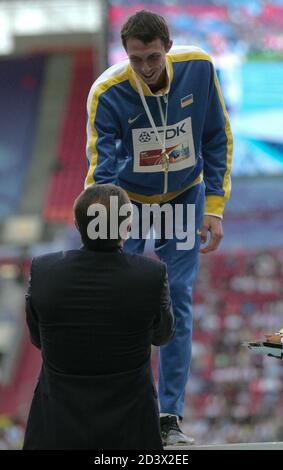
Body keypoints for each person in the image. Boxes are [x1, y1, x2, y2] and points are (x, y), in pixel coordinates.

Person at [85, 10, 233, 446]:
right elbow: (101, 171)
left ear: (167, 47)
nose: (146, 68)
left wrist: (215, 205)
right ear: (125, 55)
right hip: (128, 205)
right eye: (136, 60)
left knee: (178, 303)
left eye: (152, 57)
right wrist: (101, 230)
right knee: (121, 304)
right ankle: (124, 412)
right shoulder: (106, 92)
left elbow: (215, 136)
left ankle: (169, 417)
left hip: (185, 199)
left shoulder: (200, 68)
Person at [23, 184, 175, 450]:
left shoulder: (43, 269)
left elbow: (38, 339)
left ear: (78, 226)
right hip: (130, 428)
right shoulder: (151, 274)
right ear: (127, 227)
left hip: (56, 428)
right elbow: (163, 335)